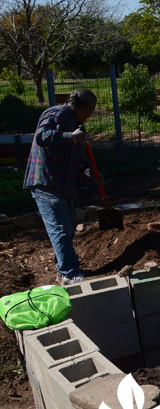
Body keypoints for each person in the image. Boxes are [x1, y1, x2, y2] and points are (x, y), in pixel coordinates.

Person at [24, 89, 96, 285]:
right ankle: (69, 273)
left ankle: (62, 268)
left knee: (67, 227)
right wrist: (70, 136)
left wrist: (88, 171)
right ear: (85, 107)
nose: (91, 115)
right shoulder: (56, 114)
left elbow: (76, 156)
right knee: (60, 227)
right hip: (46, 181)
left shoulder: (77, 125)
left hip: (63, 184)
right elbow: (42, 136)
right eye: (92, 110)